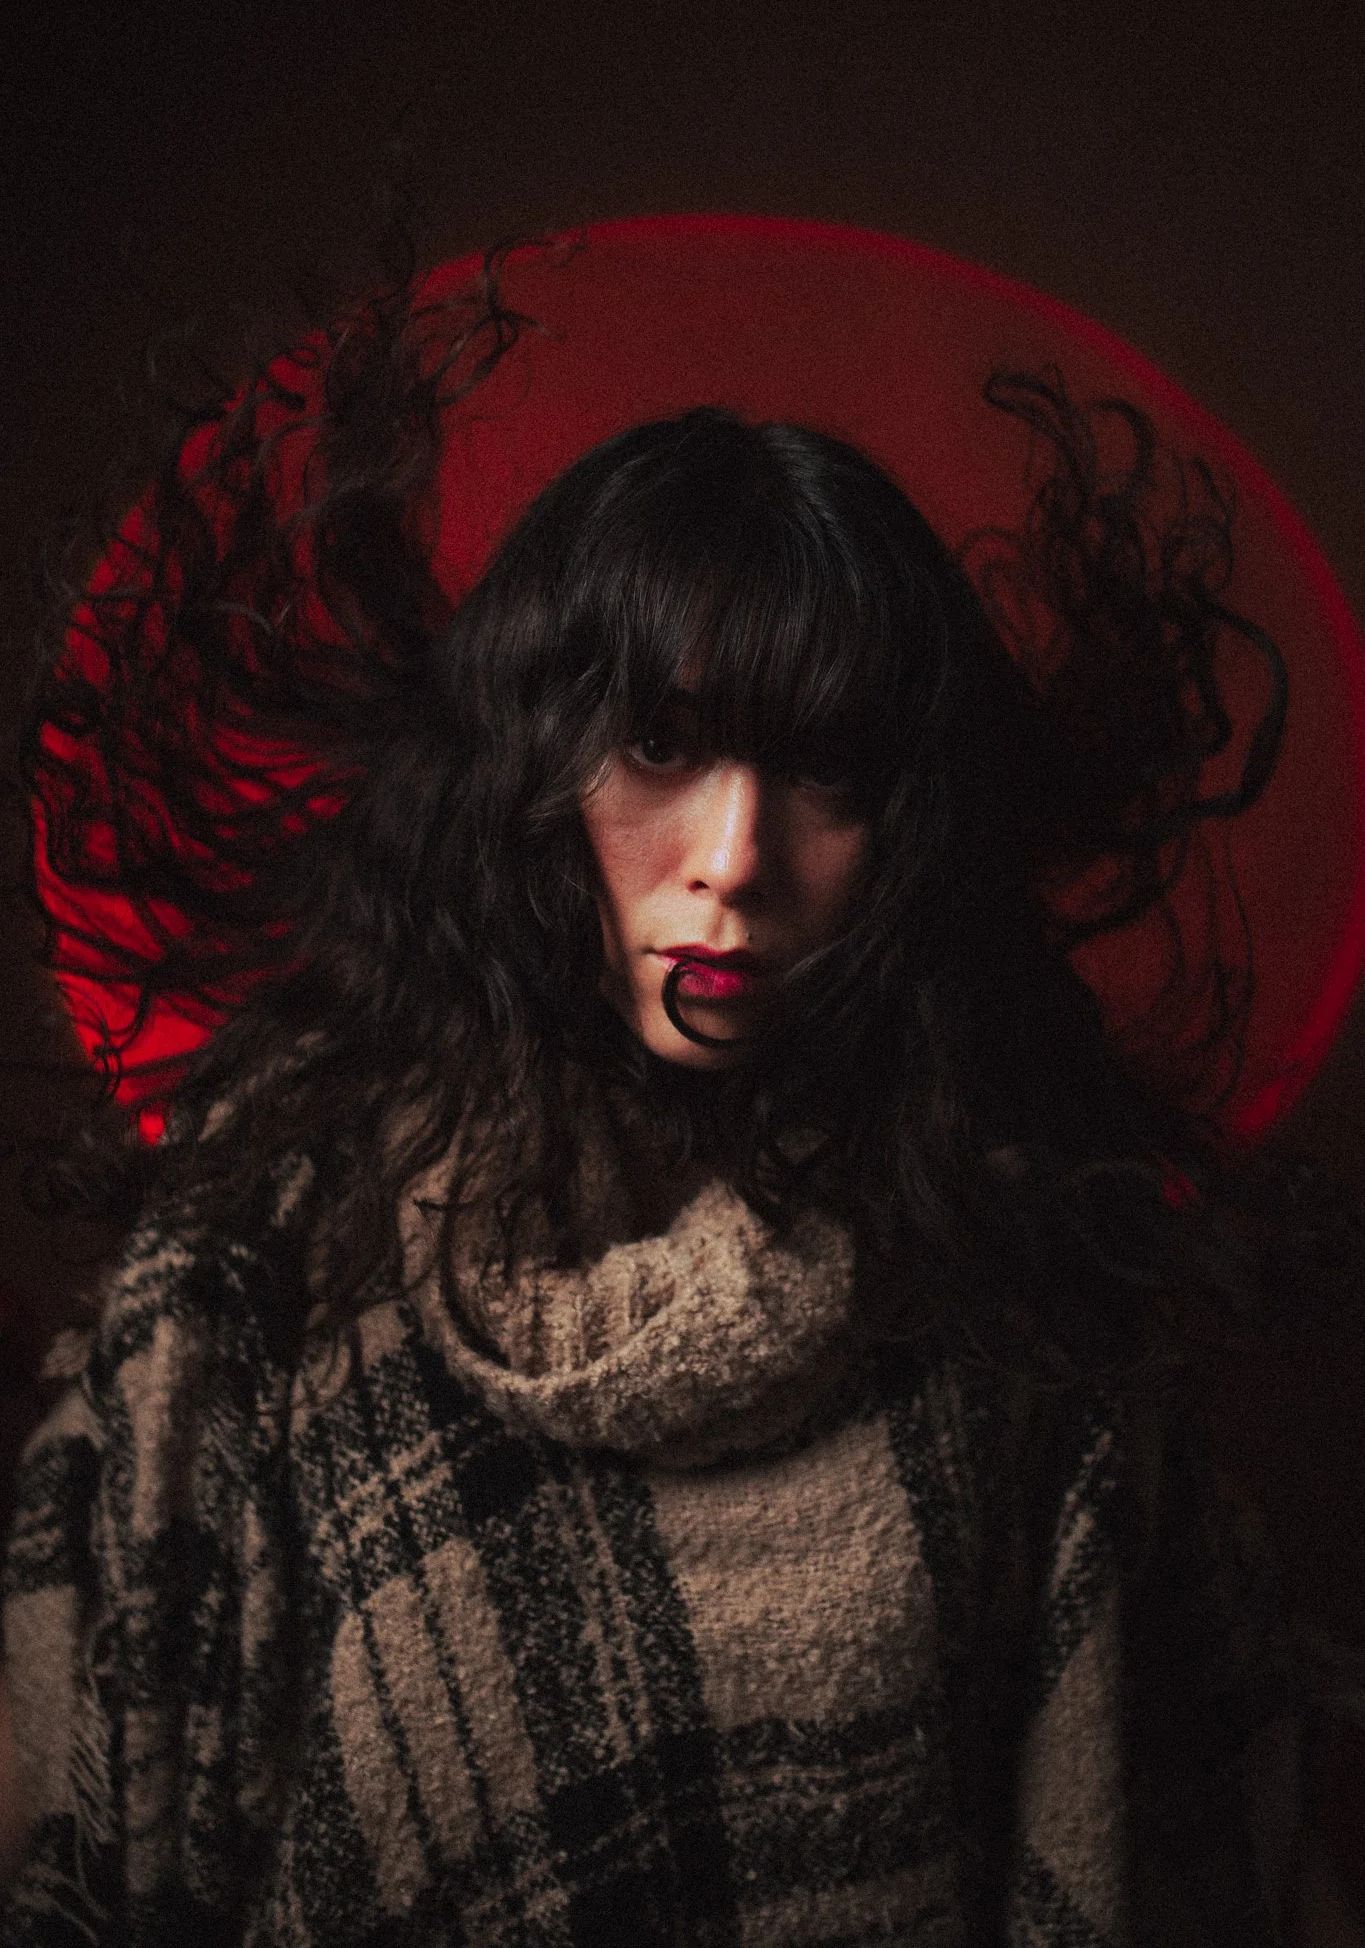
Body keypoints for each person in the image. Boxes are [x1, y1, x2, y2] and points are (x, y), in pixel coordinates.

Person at [0, 240, 1337, 1944]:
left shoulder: (1022, 1309)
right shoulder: (276, 1261)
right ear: (532, 770)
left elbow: (1187, 1830)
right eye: (660, 749)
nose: (734, 859)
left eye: (827, 772)